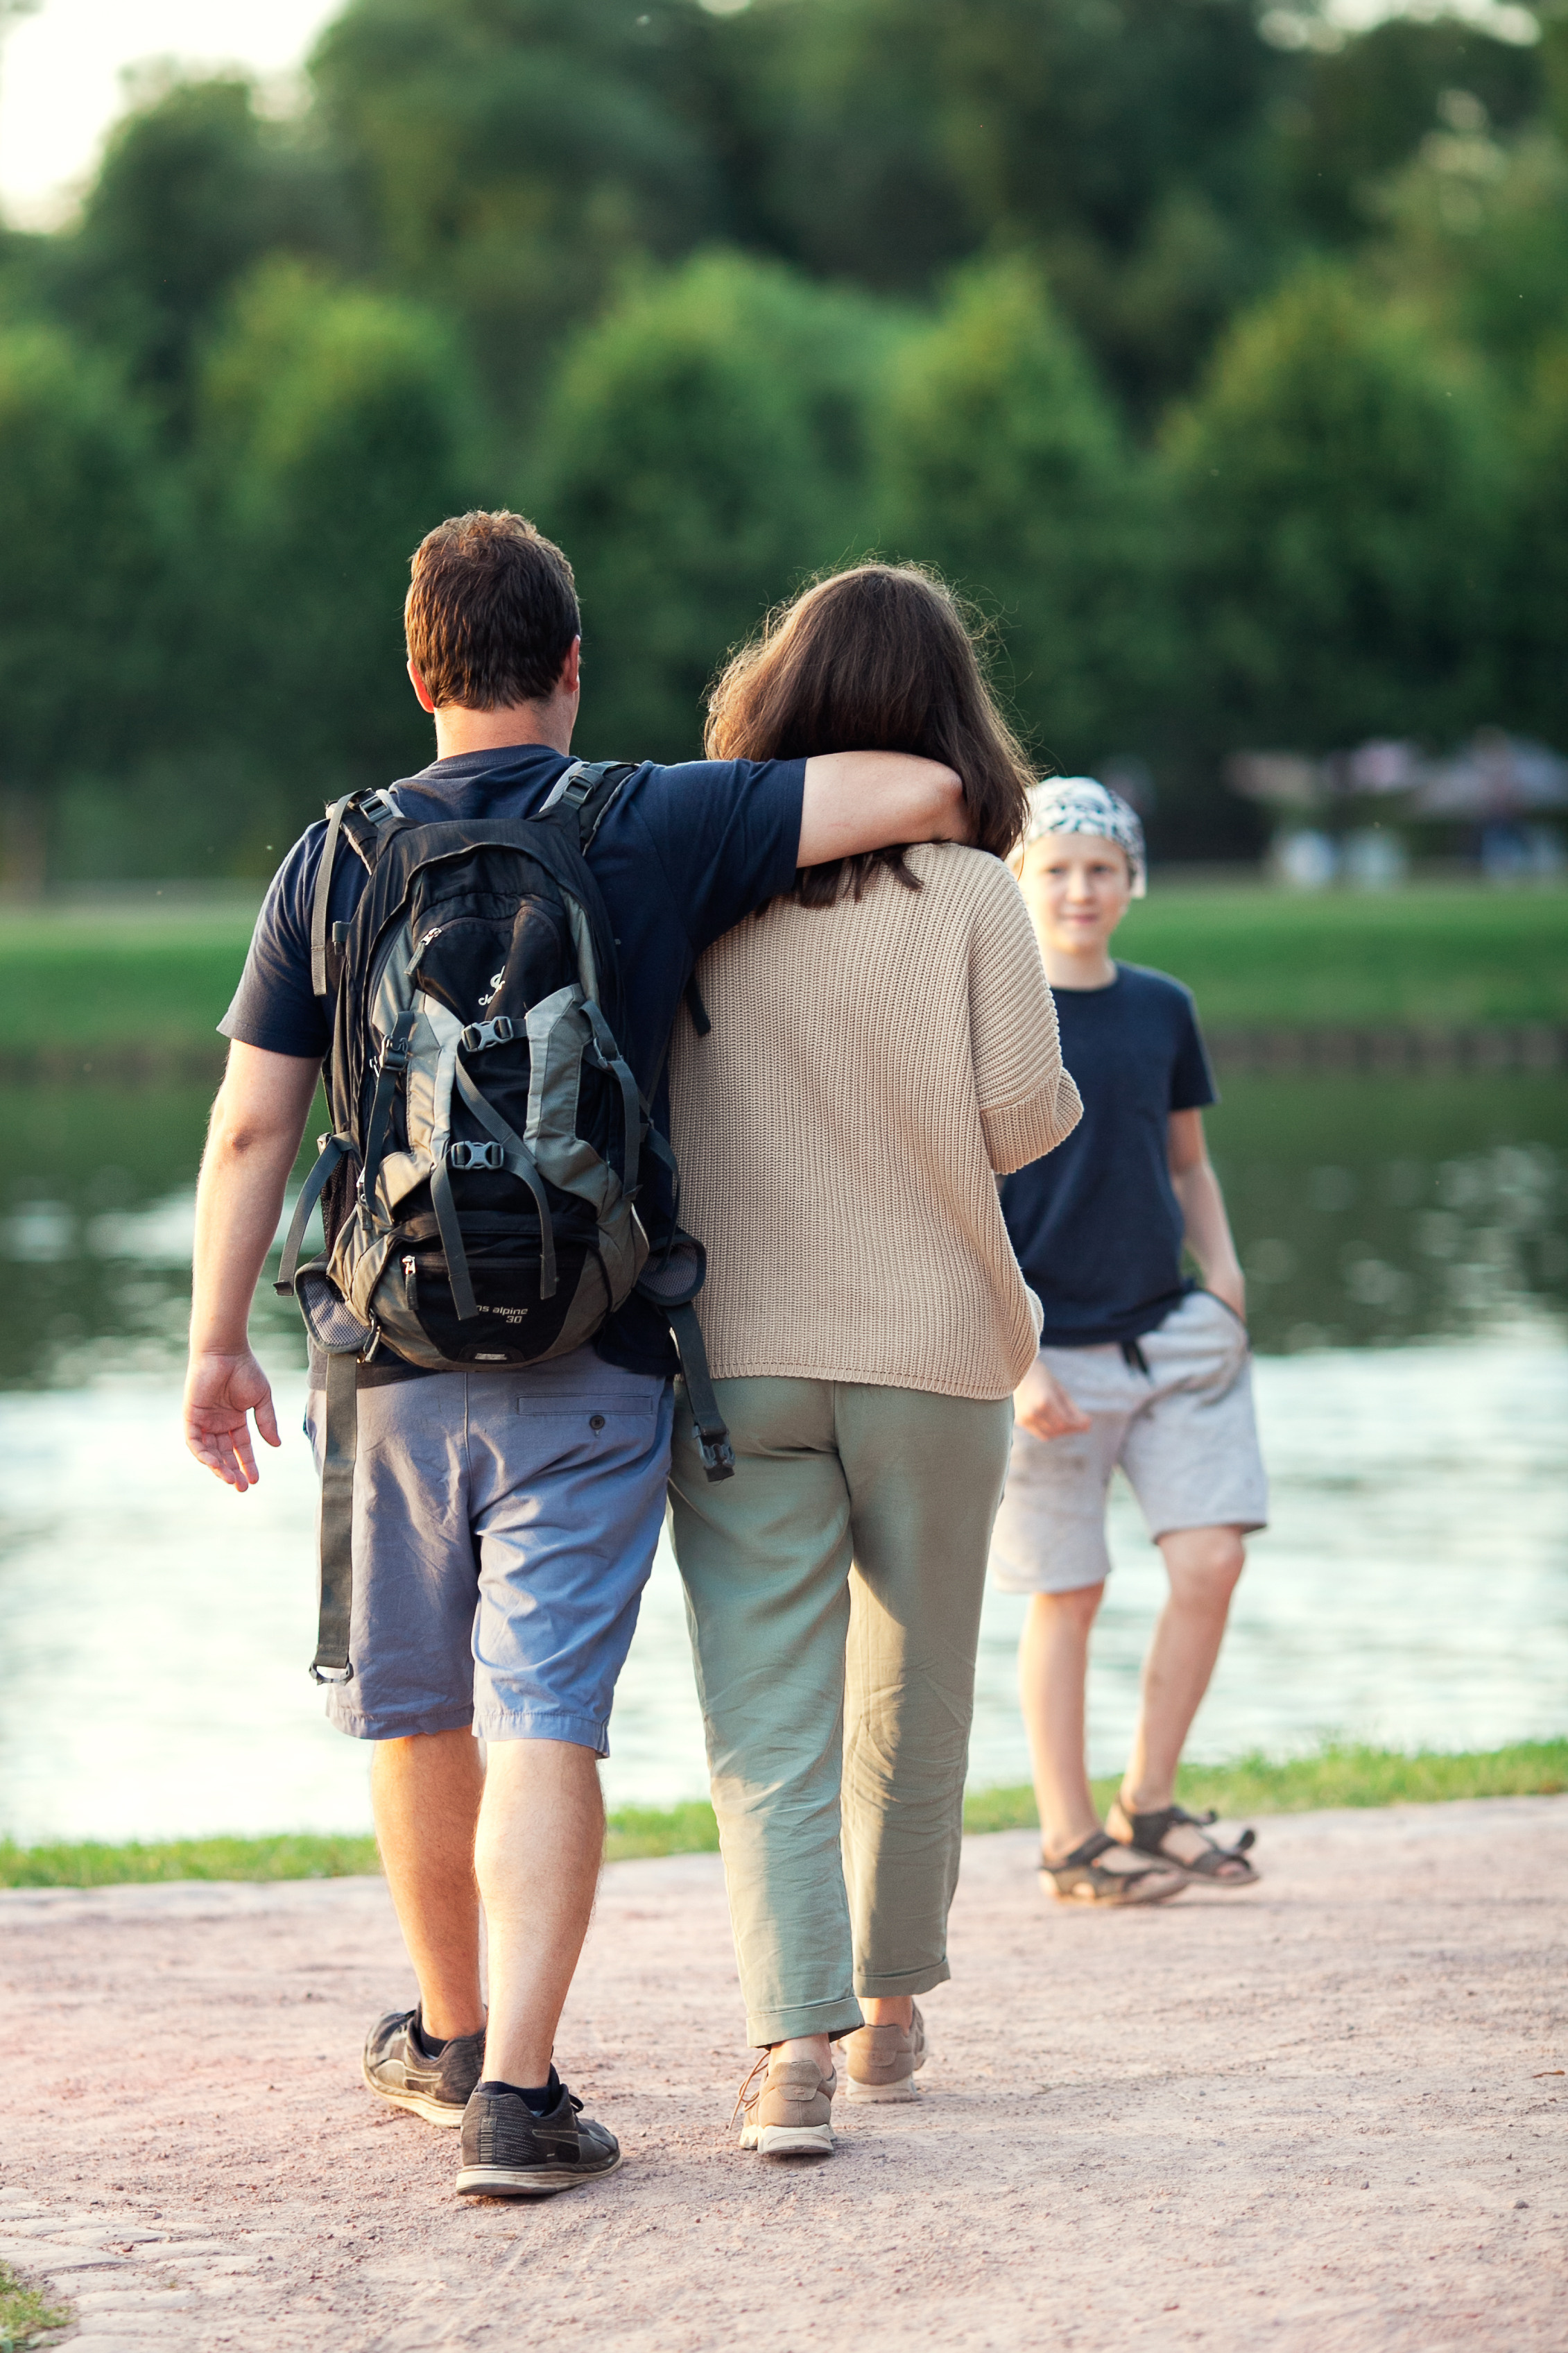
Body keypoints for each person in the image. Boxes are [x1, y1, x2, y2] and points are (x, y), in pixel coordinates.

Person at [181, 511, 976, 2200]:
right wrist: (776, 780)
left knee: (414, 1706)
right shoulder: (653, 816)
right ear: (571, 667)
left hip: (381, 1364)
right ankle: (521, 2099)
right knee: (550, 1711)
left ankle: (455, 2035)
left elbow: (254, 1130)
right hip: (602, 1346)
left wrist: (209, 1346)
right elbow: (928, 796)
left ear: (415, 671)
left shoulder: (329, 860)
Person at [665, 564, 1083, 2159]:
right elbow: (1022, 1120)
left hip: (742, 1354)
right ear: (944, 715)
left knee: (765, 1714)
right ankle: (893, 2000)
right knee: (911, 1688)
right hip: (936, 1348)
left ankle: (790, 2053)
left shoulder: (704, 877)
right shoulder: (978, 891)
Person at [994, 777, 1268, 1906]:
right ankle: (1069, 1843)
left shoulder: (1161, 1006)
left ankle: (1146, 1804)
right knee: (1069, 1594)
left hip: (1169, 1338)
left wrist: (1229, 1272)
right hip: (1044, 1356)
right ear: (1017, 878)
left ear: (1131, 881)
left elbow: (1186, 1164)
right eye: (1055, 867)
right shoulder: (997, 1012)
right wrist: (1016, 1361)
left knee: (1210, 1559)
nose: (1078, 888)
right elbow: (958, 1200)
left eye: (1100, 868)